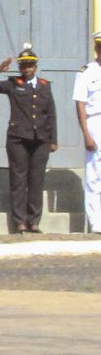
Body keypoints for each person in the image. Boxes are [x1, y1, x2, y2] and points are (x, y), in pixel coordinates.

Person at [0, 48, 58, 234]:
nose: (27, 68)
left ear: (36, 66)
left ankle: (34, 221)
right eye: (24, 65)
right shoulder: (12, 83)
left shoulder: (44, 85)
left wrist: (53, 140)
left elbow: (51, 114)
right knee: (18, 180)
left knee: (36, 181)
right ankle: (20, 222)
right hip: (18, 138)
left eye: (30, 65)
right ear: (20, 67)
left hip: (41, 139)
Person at [77, 33, 101, 231]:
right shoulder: (87, 72)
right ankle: (96, 222)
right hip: (95, 121)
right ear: (96, 48)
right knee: (94, 174)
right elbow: (80, 103)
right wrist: (86, 133)